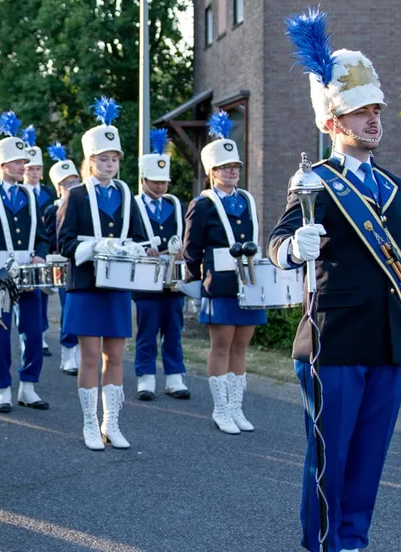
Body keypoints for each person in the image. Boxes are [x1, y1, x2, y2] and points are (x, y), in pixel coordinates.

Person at [268, 11, 401, 552]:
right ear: (332, 123)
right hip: (335, 340)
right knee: (330, 460)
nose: (372, 120)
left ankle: (353, 543)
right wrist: (291, 249)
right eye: (359, 111)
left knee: (369, 461)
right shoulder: (314, 182)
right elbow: (278, 241)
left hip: (389, 342)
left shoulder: (394, 185)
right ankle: (323, 545)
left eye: (375, 110)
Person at [57, 97, 148, 450]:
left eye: (114, 159)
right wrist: (94, 247)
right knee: (90, 356)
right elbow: (65, 242)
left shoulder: (126, 194)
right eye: (103, 159)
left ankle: (112, 422)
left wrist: (133, 249)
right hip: (85, 286)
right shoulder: (76, 195)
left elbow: (139, 237)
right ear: (90, 160)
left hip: (117, 285)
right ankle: (89, 424)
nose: (109, 165)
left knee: (116, 356)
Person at [181, 110, 265, 435]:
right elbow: (191, 248)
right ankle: (220, 408)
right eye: (225, 167)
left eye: (236, 167)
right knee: (221, 345)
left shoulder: (247, 200)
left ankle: (236, 407)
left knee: (242, 346)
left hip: (248, 281)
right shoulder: (202, 204)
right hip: (220, 282)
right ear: (212, 172)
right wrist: (194, 282)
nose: (232, 171)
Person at [0, 111, 50, 413]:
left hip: (28, 272)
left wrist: (40, 253)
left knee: (33, 331)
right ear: (3, 165)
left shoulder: (30, 196)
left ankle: (28, 386)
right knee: (1, 334)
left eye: (24, 162)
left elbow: (42, 236)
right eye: (18, 162)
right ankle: (2, 388)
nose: (23, 167)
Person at [132, 128, 190, 401]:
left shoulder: (175, 204)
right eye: (154, 182)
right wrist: (143, 248)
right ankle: (145, 376)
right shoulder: (133, 205)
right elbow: (126, 238)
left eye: (163, 182)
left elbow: (186, 235)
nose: (159, 187)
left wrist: (183, 251)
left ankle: (175, 376)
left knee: (174, 329)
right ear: (143, 179)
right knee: (147, 330)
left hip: (173, 278)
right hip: (145, 278)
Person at [42, 143, 81, 375]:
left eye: (75, 182)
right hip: (62, 265)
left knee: (82, 309)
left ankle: (81, 351)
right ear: (58, 188)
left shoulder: (86, 204)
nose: (72, 187)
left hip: (83, 263)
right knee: (69, 308)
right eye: (67, 184)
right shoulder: (52, 210)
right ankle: (68, 351)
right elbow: (50, 240)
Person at [21, 125, 56, 358]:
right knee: (23, 295)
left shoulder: (48, 192)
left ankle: (40, 333)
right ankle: (26, 337)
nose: (34, 173)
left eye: (37, 169)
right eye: (30, 169)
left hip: (44, 247)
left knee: (42, 293)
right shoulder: (21, 192)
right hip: (24, 247)